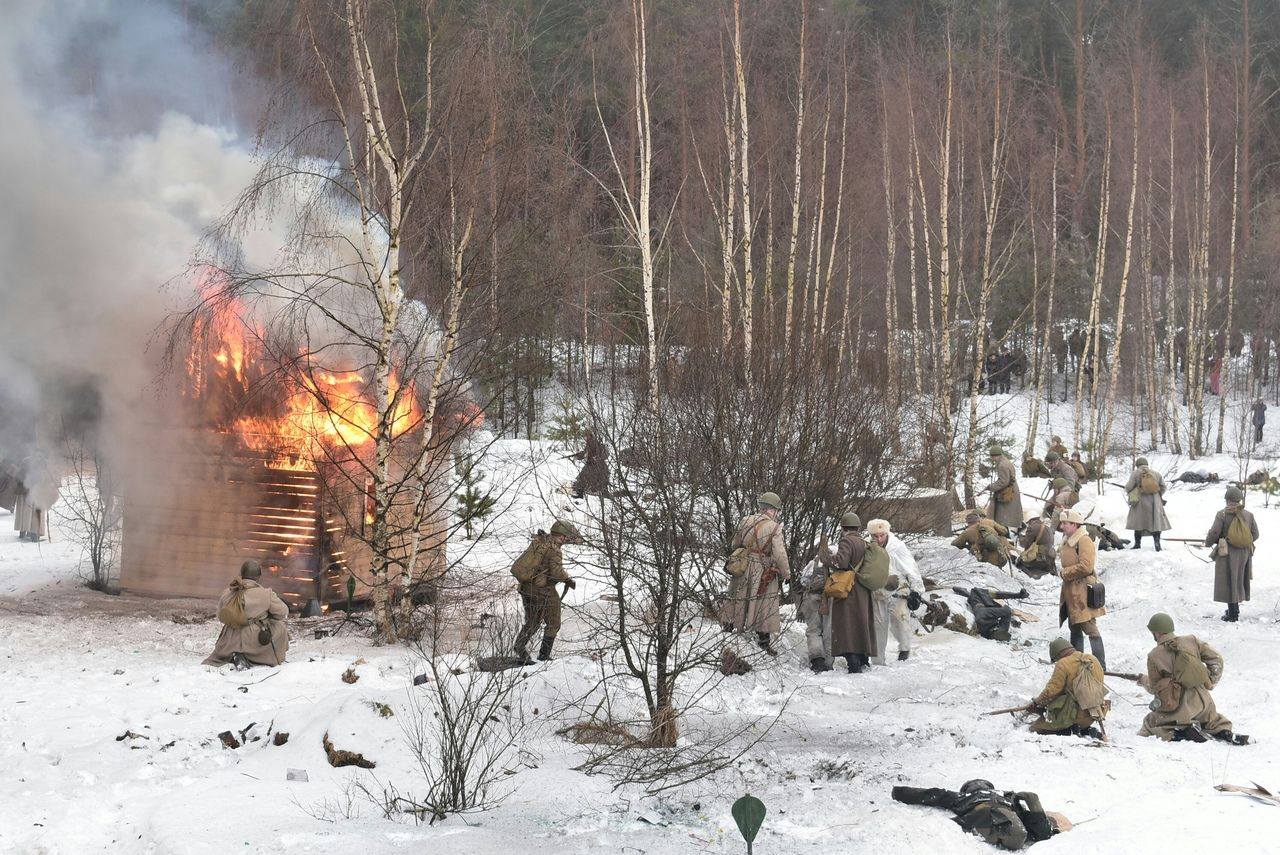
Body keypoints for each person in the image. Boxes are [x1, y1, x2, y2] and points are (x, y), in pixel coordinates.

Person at [1138, 613, 1247, 744]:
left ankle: (1181, 733)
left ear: (1156, 633)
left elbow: (1155, 688)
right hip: (1205, 701)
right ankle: (1224, 732)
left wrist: (1142, 680)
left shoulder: (1154, 655)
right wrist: (1210, 681)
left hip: (1180, 706)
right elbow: (1217, 660)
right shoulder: (1191, 640)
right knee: (1213, 721)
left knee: (1151, 722)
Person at [892, 779, 1063, 850]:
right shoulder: (1006, 796)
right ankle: (1042, 829)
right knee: (1027, 825)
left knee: (1010, 825)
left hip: (987, 820)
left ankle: (1033, 830)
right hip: (1012, 824)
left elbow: (932, 795)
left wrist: (899, 792)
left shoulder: (963, 797)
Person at [723, 493, 791, 655]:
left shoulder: (745, 520)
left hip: (743, 564)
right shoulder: (774, 527)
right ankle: (763, 639)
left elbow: (735, 544)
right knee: (765, 600)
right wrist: (786, 574)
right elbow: (780, 554)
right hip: (762, 567)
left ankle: (728, 627)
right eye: (777, 510)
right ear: (773, 510)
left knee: (736, 594)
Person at [512, 520, 580, 664]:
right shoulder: (554, 550)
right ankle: (544, 656)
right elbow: (556, 573)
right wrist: (568, 579)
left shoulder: (540, 541)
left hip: (526, 588)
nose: (566, 540)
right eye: (566, 537)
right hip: (543, 590)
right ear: (562, 536)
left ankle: (519, 646)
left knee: (533, 621)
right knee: (554, 622)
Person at [203, 560, 290, 668]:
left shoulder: (228, 591)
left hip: (229, 640)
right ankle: (255, 657)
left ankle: (234, 655)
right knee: (280, 627)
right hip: (254, 639)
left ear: (242, 574)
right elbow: (283, 612)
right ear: (258, 577)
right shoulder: (266, 594)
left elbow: (221, 616)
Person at [822, 512, 876, 673]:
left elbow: (842, 562)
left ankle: (853, 663)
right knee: (861, 624)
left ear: (843, 528)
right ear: (858, 527)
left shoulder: (847, 540)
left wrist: (827, 558)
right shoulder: (864, 542)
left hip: (848, 590)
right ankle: (863, 659)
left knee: (846, 626)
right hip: (863, 589)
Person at [866, 519, 925, 663]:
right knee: (878, 625)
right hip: (878, 591)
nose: (879, 539)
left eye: (882, 535)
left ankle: (904, 649)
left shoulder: (897, 547)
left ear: (887, 533)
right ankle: (878, 660)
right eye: (875, 536)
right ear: (870, 535)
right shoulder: (866, 547)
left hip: (899, 587)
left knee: (900, 619)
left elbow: (911, 569)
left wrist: (917, 591)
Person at [1026, 638, 1106, 738]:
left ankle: (1067, 730)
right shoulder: (1092, 659)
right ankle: (1085, 729)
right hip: (1095, 713)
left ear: (1058, 655)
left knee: (1034, 728)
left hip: (1073, 716)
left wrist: (1036, 703)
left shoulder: (1063, 664)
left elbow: (1051, 691)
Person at [1057, 509, 1106, 669]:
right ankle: (1077, 662)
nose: (1062, 526)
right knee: (1074, 626)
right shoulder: (1067, 539)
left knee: (1089, 627)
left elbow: (1086, 566)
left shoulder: (1083, 540)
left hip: (1082, 591)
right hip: (1071, 591)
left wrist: (1065, 573)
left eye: (1065, 523)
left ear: (1074, 524)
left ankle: (1100, 665)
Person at [1204, 486, 1259, 622]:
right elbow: (1256, 534)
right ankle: (1235, 609)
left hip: (1227, 553)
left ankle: (1233, 614)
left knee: (1229, 580)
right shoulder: (1248, 514)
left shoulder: (1222, 514)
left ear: (1227, 500)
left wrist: (1209, 542)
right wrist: (1243, 541)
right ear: (1239, 500)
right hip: (1245, 553)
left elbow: (1215, 532)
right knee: (1239, 579)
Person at [1125, 457, 1170, 551]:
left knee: (1138, 523)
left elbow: (1129, 487)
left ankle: (1137, 544)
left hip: (1139, 502)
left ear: (1137, 465)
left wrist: (1132, 491)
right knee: (1155, 523)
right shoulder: (1156, 473)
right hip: (1155, 502)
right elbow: (1163, 487)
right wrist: (1157, 494)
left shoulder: (1135, 473)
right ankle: (1157, 545)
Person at [798, 556, 832, 672]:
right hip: (830, 599)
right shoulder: (835, 565)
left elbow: (803, 581)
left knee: (814, 630)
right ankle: (828, 662)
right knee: (829, 630)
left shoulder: (812, 563)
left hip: (812, 598)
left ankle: (817, 661)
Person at [984, 448, 1024, 532]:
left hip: (1006, 493)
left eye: (992, 457)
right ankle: (1014, 530)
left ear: (995, 456)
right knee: (1007, 516)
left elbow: (1003, 482)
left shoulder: (1002, 465)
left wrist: (991, 487)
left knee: (1001, 517)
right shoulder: (1006, 461)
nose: (992, 459)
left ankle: (1005, 534)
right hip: (1010, 490)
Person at [570, 429, 609, 499]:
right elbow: (587, 452)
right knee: (600, 478)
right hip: (600, 464)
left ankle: (579, 494)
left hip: (593, 464)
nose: (584, 438)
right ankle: (603, 492)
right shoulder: (594, 441)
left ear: (588, 436)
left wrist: (577, 456)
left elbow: (586, 454)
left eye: (584, 436)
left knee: (582, 478)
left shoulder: (591, 442)